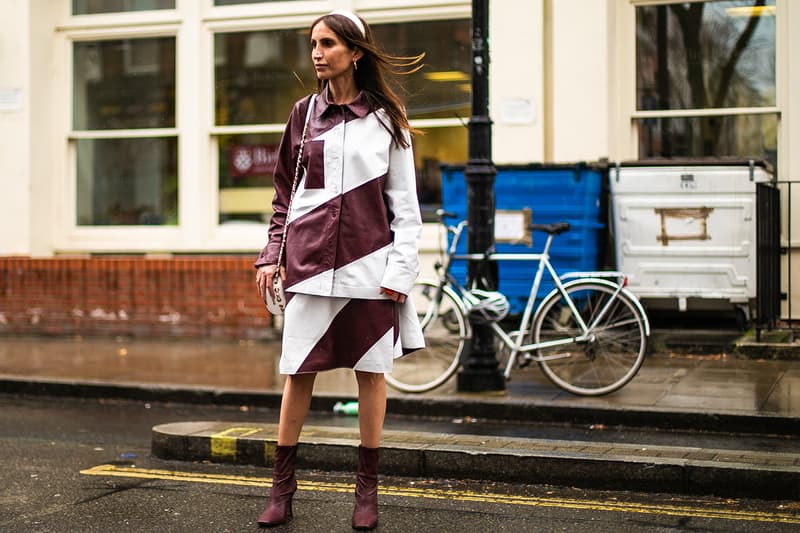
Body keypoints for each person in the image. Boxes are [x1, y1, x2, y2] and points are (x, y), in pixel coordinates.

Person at [254, 9, 425, 530]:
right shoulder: (303, 115)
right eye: (312, 43)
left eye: (327, 43)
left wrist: (400, 271)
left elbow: (406, 209)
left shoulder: (388, 122)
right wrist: (271, 253)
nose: (316, 52)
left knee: (371, 376)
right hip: (308, 266)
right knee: (298, 373)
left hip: (371, 270)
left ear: (354, 52)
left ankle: (366, 493)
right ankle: (282, 489)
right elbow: (285, 193)